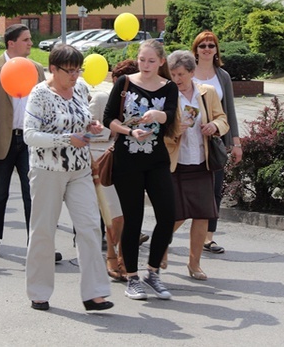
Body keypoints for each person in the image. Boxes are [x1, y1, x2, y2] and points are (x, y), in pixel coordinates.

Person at [24, 44, 112, 312]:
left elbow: (82, 120)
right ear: (53, 69)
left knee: (89, 227)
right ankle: (39, 292)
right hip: (47, 170)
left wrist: (91, 126)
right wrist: (65, 139)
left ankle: (94, 294)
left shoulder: (82, 88)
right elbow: (30, 135)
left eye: (78, 69)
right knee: (43, 231)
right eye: (70, 70)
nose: (75, 75)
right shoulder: (39, 94)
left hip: (80, 169)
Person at [103, 39, 179, 301]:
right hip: (128, 160)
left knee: (168, 215)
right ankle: (132, 277)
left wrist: (158, 116)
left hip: (156, 159)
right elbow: (108, 118)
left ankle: (153, 272)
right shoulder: (124, 83)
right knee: (133, 219)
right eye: (141, 59)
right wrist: (129, 131)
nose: (145, 65)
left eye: (151, 60)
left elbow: (169, 114)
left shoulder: (168, 87)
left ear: (161, 62)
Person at [0, 24, 45, 259]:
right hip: (1, 140)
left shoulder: (36, 69)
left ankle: (38, 244)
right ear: (11, 43)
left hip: (30, 142)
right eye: (26, 39)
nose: (30, 43)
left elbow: (46, 104)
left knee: (33, 194)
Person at [165, 50, 229, 281]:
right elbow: (160, 132)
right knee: (176, 215)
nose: (177, 79)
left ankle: (194, 264)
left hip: (201, 162)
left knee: (202, 214)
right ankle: (161, 247)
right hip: (176, 162)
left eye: (181, 74)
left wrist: (213, 126)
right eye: (173, 74)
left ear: (192, 73)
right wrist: (174, 131)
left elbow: (223, 119)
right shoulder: (167, 95)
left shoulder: (207, 93)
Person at [192, 31, 242, 254]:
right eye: (202, 45)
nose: (207, 49)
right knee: (186, 189)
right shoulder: (186, 72)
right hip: (188, 138)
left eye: (211, 45)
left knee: (214, 189)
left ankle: (208, 238)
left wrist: (236, 142)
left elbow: (229, 110)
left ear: (216, 50)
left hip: (214, 139)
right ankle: (168, 234)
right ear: (196, 49)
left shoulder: (222, 76)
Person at [88, 59, 139, 282]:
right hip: (103, 160)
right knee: (114, 214)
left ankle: (124, 258)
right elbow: (84, 130)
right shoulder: (100, 97)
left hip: (130, 160)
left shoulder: (139, 102)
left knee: (128, 214)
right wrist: (111, 132)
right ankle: (110, 255)